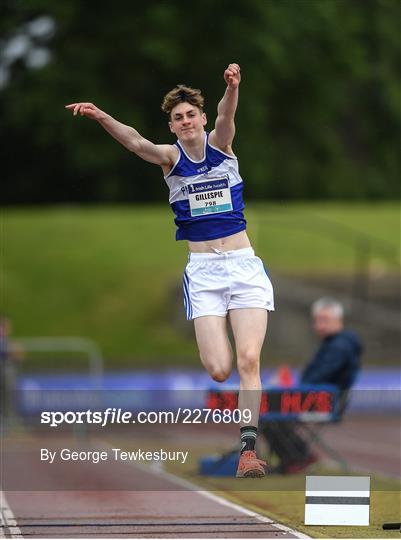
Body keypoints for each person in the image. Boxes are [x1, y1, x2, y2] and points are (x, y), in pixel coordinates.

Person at [65, 63, 274, 478]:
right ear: (173, 126)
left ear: (200, 117)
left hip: (244, 265)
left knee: (250, 359)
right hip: (204, 273)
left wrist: (232, 87)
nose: (186, 122)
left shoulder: (222, 145)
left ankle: (248, 450)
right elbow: (135, 142)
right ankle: (218, 359)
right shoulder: (169, 159)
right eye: (178, 118)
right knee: (220, 369)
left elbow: (226, 115)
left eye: (191, 114)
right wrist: (100, 114)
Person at [261, 297, 362, 474]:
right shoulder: (335, 343)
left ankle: (297, 458)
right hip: (318, 397)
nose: (320, 325)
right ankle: (295, 457)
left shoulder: (339, 346)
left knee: (269, 415)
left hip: (324, 401)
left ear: (339, 320)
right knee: (270, 413)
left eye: (325, 320)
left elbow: (318, 378)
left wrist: (294, 389)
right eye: (317, 320)